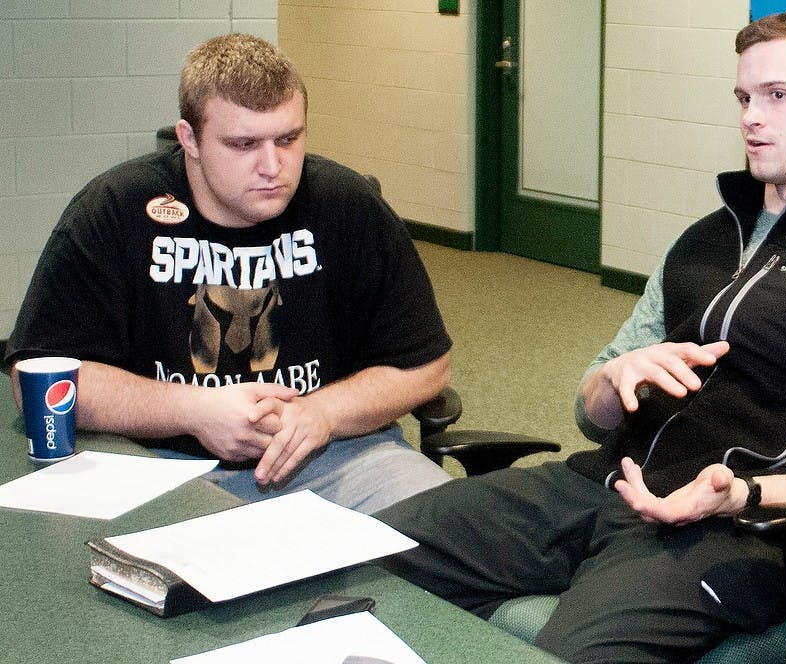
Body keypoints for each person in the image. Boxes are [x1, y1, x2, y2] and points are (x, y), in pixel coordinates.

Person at [374, 10, 786, 663]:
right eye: (743, 97)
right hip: (603, 484)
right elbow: (591, 415)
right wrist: (613, 382)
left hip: (733, 533)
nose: (751, 118)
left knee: (568, 655)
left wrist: (742, 493)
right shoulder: (708, 238)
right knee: (361, 555)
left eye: (777, 95)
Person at [4, 33, 453, 514]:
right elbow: (38, 380)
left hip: (333, 456)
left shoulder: (349, 207)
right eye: (243, 144)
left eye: (288, 139)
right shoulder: (114, 210)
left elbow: (426, 366)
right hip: (160, 467)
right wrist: (192, 410)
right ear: (189, 139)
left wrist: (321, 413)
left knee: (457, 531)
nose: (272, 166)